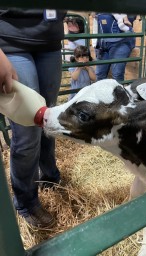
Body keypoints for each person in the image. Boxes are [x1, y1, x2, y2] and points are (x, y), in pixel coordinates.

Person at [0, 8, 67, 228]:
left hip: (49, 39)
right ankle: (25, 202)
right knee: (28, 128)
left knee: (48, 117)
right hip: (9, 38)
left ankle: (49, 176)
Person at [92, 13, 136, 82]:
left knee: (117, 74)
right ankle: (101, 92)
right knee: (99, 74)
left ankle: (119, 92)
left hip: (120, 40)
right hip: (102, 42)